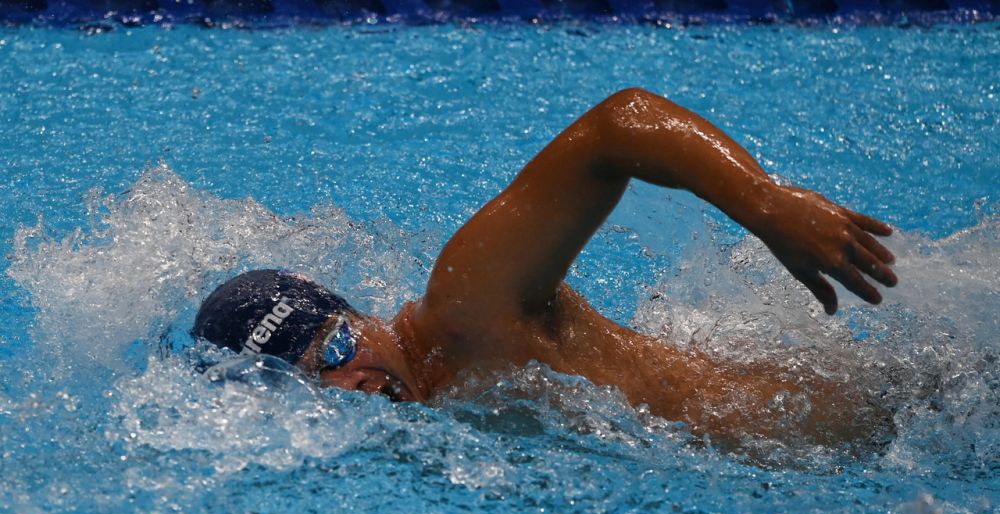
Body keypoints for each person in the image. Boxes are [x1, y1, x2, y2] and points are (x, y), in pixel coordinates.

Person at [193, 88, 897, 445]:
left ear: (359, 314)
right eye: (320, 381)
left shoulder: (466, 310)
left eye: (339, 345)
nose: (352, 383)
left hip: (861, 423)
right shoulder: (434, 416)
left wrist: (768, 205)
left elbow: (618, 125)